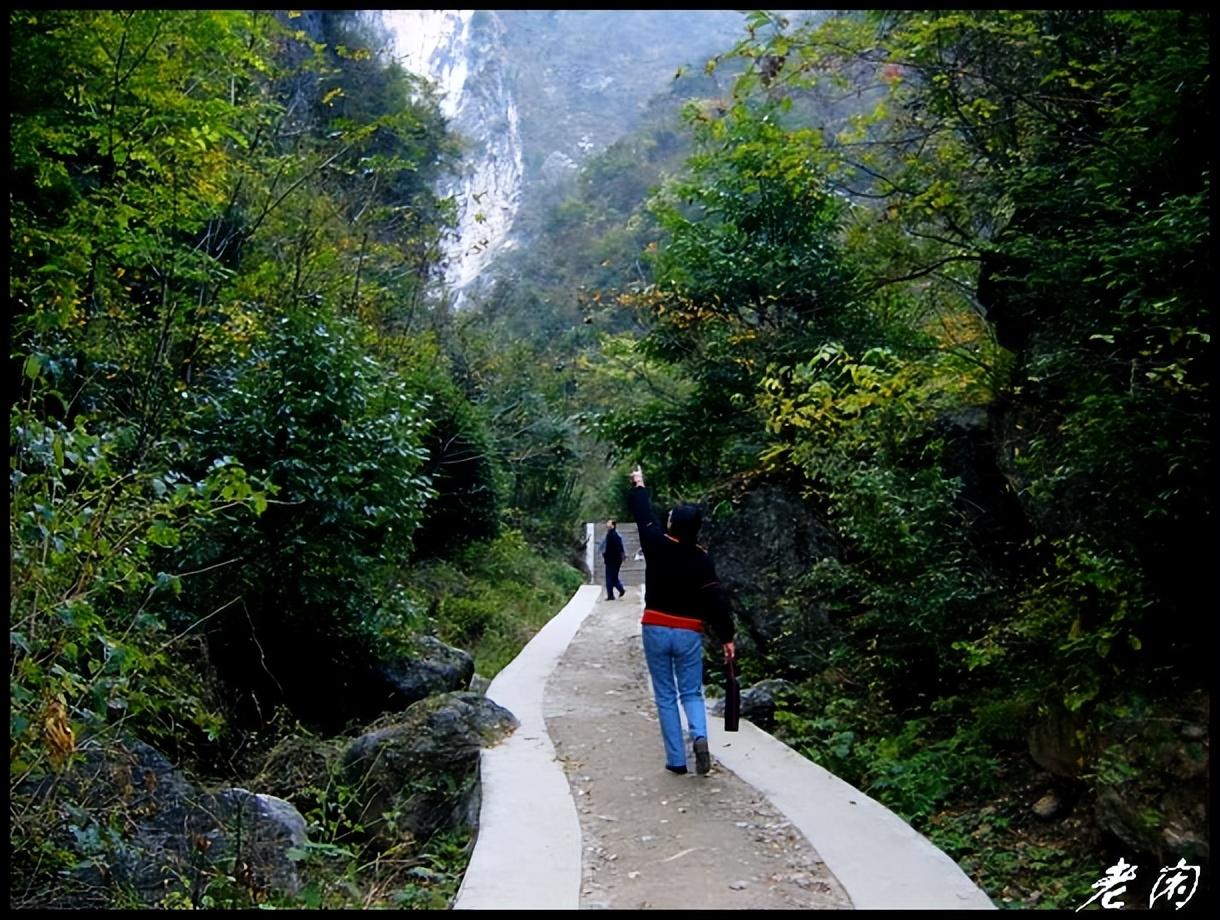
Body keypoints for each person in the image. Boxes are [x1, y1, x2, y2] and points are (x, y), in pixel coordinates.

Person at [627, 464, 735, 776]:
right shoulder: (702, 558)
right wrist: (727, 637)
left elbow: (643, 514)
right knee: (691, 692)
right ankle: (699, 736)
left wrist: (640, 485)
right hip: (689, 632)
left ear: (672, 525)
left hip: (656, 626)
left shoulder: (656, 543)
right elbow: (716, 600)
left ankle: (677, 760)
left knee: (665, 695)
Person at [599, 519, 626, 601]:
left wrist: (605, 555)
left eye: (609, 523)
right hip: (615, 560)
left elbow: (609, 549)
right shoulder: (615, 535)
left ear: (613, 525)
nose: (607, 524)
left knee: (610, 578)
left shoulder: (611, 535)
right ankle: (618, 591)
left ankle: (613, 593)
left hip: (612, 560)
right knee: (613, 577)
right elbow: (620, 547)